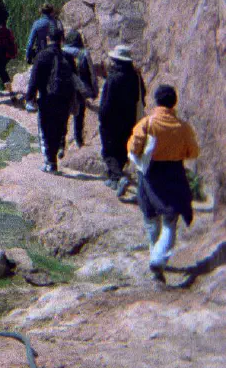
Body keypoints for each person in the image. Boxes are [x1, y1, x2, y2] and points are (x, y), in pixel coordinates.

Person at [128, 84, 199, 282]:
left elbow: (134, 148)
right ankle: (158, 258)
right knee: (170, 220)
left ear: (157, 101)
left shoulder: (147, 123)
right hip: (174, 174)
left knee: (150, 218)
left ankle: (155, 258)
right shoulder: (183, 127)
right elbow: (193, 152)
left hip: (149, 174)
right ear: (174, 103)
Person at [26, 23, 80, 173]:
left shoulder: (42, 55)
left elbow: (34, 78)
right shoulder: (68, 58)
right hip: (64, 99)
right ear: (62, 39)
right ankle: (54, 158)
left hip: (47, 98)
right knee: (59, 128)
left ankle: (50, 162)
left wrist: (29, 97)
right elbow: (75, 80)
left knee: (45, 130)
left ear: (48, 38)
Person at [98, 45, 146, 188]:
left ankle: (118, 177)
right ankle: (114, 179)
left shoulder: (113, 78)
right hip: (129, 120)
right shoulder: (136, 76)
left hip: (112, 122)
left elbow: (106, 103)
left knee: (108, 150)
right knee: (122, 149)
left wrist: (102, 118)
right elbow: (142, 96)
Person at [62, 28, 97, 147]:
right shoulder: (84, 53)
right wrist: (94, 90)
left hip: (66, 87)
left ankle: (62, 143)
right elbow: (92, 73)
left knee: (64, 114)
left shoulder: (61, 51)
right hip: (81, 88)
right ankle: (78, 140)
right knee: (79, 114)